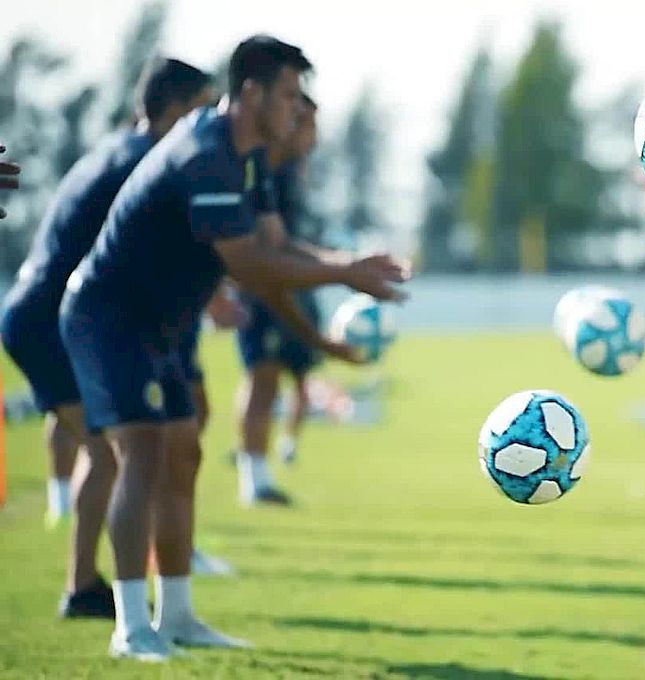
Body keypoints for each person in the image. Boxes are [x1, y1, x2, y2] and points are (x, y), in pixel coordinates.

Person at [59, 35, 410, 661]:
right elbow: (251, 266)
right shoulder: (207, 154)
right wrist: (343, 275)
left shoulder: (250, 160)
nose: (298, 108)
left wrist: (345, 264)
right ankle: (130, 626)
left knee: (183, 452)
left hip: (157, 322)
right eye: (288, 94)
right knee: (141, 450)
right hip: (109, 317)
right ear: (250, 93)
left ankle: (179, 615)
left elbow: (276, 244)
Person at [1, 58, 214, 619]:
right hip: (51, 321)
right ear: (173, 109)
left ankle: (85, 584)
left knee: (106, 450)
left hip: (40, 314)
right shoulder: (144, 162)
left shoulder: (121, 149)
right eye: (200, 110)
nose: (208, 124)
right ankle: (87, 586)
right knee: (118, 446)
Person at [234, 94, 322, 506]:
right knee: (262, 378)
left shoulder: (290, 171)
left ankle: (266, 467)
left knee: (290, 379)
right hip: (263, 291)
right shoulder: (263, 168)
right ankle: (253, 479)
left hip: (293, 287)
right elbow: (266, 244)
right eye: (307, 124)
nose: (313, 135)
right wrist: (342, 267)